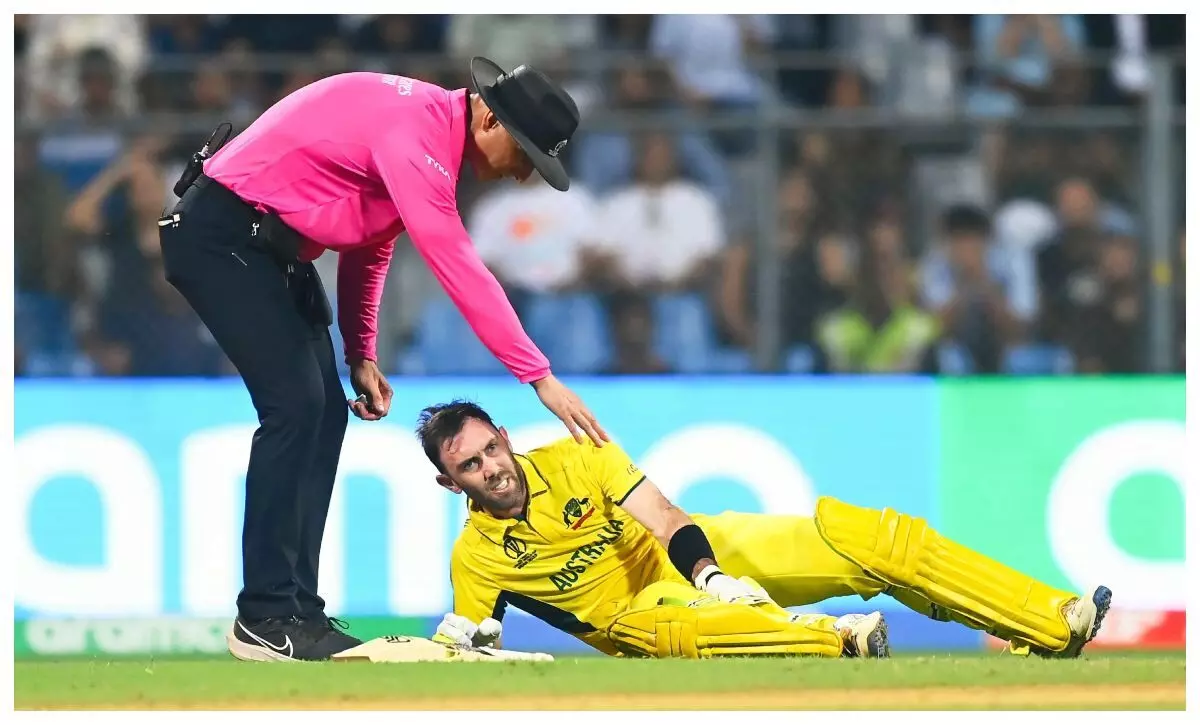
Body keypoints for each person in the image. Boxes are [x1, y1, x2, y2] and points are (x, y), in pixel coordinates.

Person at [157, 57, 610, 663]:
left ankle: (297, 613)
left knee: (323, 414)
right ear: (490, 121)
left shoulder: (426, 134)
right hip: (220, 238)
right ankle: (265, 615)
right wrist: (539, 376)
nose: (523, 175)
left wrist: (360, 350)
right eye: (526, 155)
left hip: (263, 247)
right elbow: (457, 267)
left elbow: (371, 244)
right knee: (295, 408)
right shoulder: (418, 135)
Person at [418, 400, 1112, 660]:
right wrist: (469, 645)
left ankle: (1051, 619)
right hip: (636, 615)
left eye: (490, 449)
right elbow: (469, 646)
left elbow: (667, 519)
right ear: (453, 485)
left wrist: (713, 576)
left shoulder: (578, 457)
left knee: (873, 539)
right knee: (671, 629)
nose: (491, 469)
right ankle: (836, 638)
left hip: (684, 557)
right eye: (469, 466)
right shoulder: (475, 559)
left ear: (506, 437)